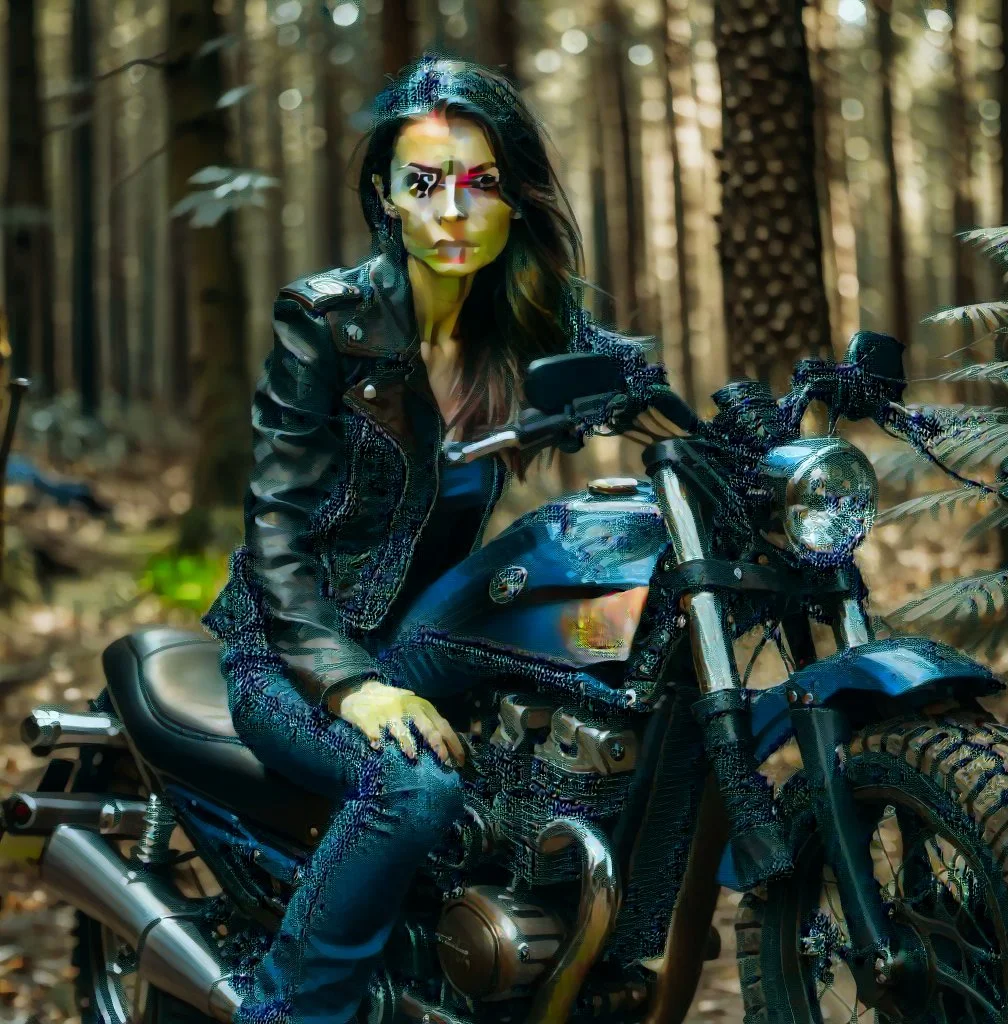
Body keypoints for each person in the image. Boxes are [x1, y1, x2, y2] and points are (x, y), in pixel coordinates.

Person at [202, 54, 684, 1024]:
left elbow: (647, 396)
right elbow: (278, 530)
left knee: (628, 677)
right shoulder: (327, 321)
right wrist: (350, 682)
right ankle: (292, 1007)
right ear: (382, 195)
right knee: (412, 786)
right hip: (290, 651)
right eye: (422, 182)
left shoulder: (527, 318)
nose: (452, 210)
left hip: (420, 631)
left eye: (481, 182)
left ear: (514, 198)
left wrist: (753, 448)